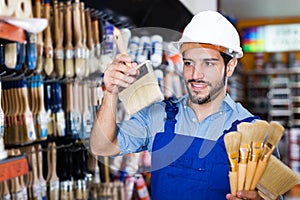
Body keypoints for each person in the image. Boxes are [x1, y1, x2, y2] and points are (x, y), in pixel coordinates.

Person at [90, 10, 267, 200]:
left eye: (208, 63)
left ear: (230, 66)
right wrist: (110, 92)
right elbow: (102, 147)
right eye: (189, 62)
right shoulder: (159, 116)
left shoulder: (253, 132)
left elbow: (272, 195)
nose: (195, 75)